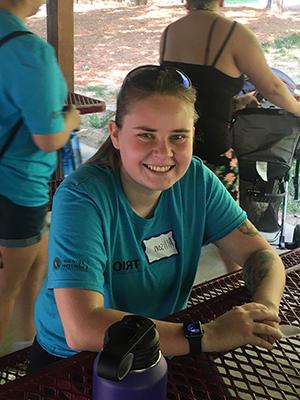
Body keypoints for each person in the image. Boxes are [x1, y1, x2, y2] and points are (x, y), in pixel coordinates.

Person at [29, 65, 285, 372]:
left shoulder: (197, 181)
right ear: (116, 135)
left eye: (178, 136)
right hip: (76, 361)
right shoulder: (82, 197)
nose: (163, 153)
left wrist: (265, 309)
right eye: (146, 135)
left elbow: (260, 254)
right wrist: (210, 334)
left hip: (165, 341)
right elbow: (82, 327)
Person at [159, 0, 300, 271]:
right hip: (214, 150)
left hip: (174, 144)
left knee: (177, 216)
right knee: (232, 229)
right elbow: (272, 86)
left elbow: (188, 95)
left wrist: (236, 103)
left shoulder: (170, 32)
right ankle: (234, 285)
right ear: (221, 1)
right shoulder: (234, 34)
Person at [0, 0, 80, 354]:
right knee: (5, 290)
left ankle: (25, 344)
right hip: (15, 189)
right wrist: (72, 121)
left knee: (38, 264)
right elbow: (48, 137)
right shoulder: (29, 52)